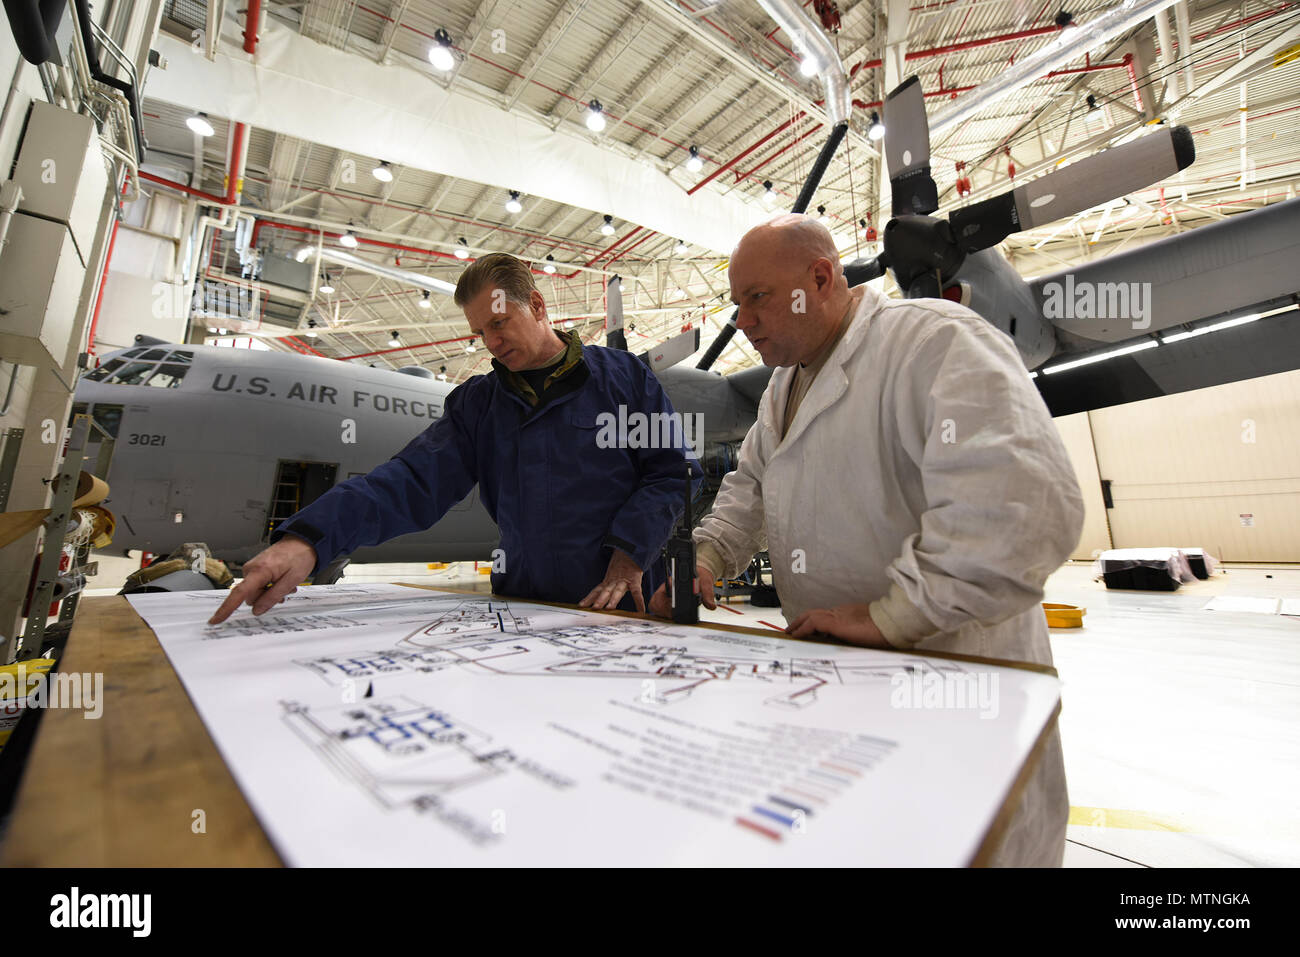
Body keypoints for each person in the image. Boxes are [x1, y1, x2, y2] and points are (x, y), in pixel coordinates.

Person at [653, 214, 1084, 867]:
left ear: (821, 278)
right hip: (847, 697)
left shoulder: (938, 344)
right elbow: (750, 488)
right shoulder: (782, 387)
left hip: (957, 690)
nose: (741, 319)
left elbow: (1025, 507)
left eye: (757, 297)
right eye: (736, 303)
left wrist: (892, 616)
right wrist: (709, 555)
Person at [211, 253, 701, 625]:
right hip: (524, 605)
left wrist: (627, 559)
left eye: (498, 323)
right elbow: (410, 480)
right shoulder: (479, 405)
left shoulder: (625, 380)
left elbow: (671, 473)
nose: (490, 343)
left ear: (536, 305)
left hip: (625, 600)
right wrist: (310, 540)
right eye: (479, 332)